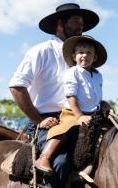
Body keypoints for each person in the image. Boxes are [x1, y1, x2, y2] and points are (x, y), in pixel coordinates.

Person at [8, 3, 99, 188]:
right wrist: (38, 120)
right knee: (60, 162)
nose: (80, 27)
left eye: (82, 23)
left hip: (79, 119)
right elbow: (16, 87)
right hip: (48, 122)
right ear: (60, 24)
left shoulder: (82, 57)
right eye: (75, 22)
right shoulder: (41, 51)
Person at [34, 35, 108, 175]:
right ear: (74, 56)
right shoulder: (72, 73)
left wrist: (104, 104)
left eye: (89, 52)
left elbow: (95, 96)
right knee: (66, 129)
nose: (84, 55)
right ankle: (44, 157)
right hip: (73, 112)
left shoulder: (98, 75)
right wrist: (79, 116)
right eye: (80, 52)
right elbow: (70, 96)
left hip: (94, 114)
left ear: (95, 57)